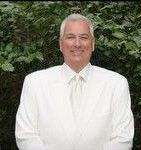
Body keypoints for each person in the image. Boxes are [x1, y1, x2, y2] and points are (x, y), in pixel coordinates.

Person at [15, 14, 134, 150]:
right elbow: (26, 136)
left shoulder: (116, 84)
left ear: (93, 44)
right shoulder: (35, 82)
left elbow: (123, 139)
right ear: (60, 44)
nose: (77, 44)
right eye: (70, 37)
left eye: (83, 37)